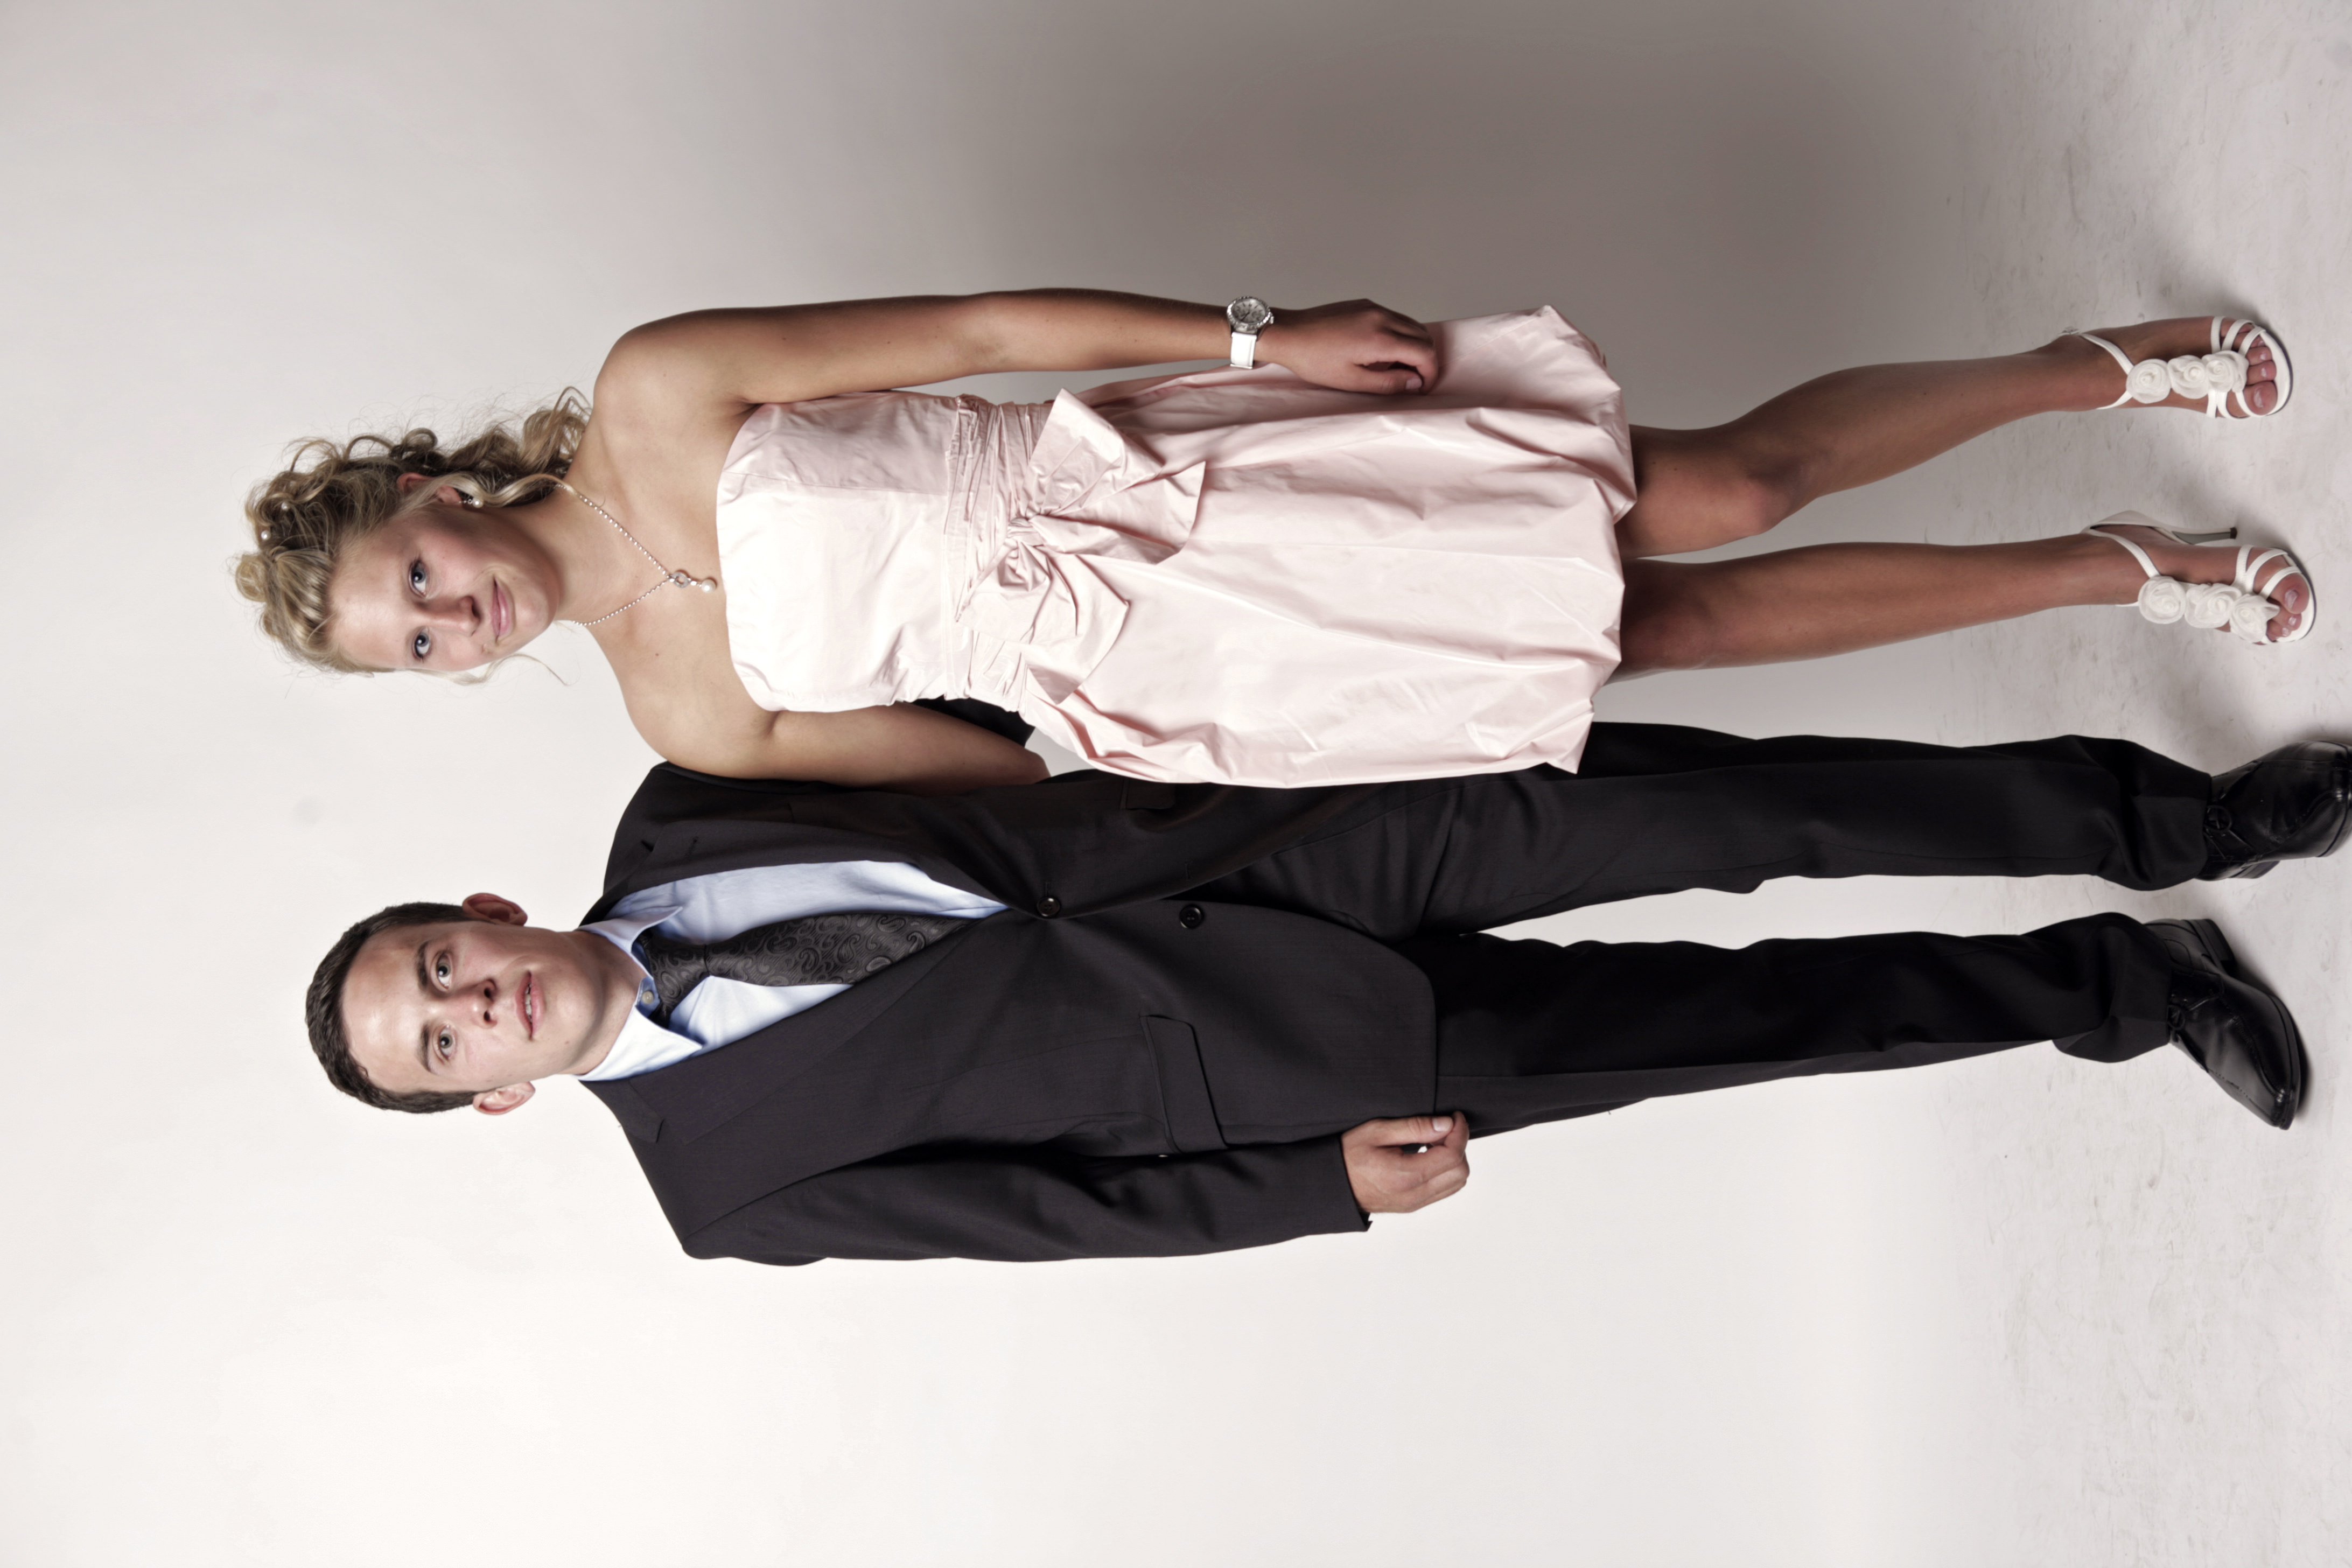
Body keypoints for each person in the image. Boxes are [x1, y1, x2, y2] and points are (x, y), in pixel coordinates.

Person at [305, 727, 2346, 1264]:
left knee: (1747, 810)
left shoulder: (681, 797)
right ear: (486, 1099)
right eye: (442, 1043)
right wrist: (1310, 1190)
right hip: (1284, 1066)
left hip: (1287, 838)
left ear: (480, 909)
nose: (473, 1004)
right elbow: (1037, 1217)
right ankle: (2124, 985)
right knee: (1751, 1021)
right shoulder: (720, 1188)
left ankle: (2182, 818)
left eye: (439, 967)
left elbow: (968, 720)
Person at [237, 291, 2306, 792]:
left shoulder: (655, 393)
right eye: (411, 650)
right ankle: (2115, 568)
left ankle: (2093, 369)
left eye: (411, 580)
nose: (449, 620)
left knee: (1723, 488)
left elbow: (979, 332)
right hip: (1194, 669)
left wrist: (1256, 339)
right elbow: (1001, 783)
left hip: (1194, 481)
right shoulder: (685, 722)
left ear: (434, 501)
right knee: (1651, 638)